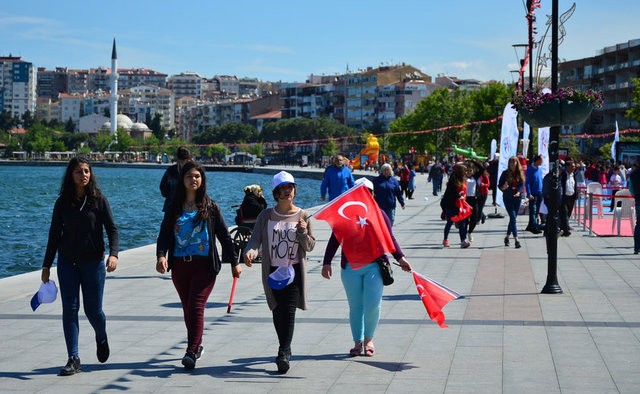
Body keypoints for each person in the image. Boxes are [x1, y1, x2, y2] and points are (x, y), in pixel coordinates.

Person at [156, 161, 241, 370]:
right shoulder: (174, 207)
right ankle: (197, 344)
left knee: (195, 306)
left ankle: (191, 351)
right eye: (189, 176)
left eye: (197, 176)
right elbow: (165, 234)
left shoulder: (210, 207)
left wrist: (234, 263)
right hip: (180, 266)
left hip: (205, 266)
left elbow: (224, 236)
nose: (193, 180)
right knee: (188, 309)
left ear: (202, 180)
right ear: (182, 181)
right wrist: (161, 256)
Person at [41, 157, 119, 376]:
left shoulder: (99, 200)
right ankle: (73, 358)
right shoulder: (62, 202)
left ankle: (101, 335)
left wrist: (113, 255)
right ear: (71, 175)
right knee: (70, 309)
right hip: (67, 263)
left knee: (93, 310)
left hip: (93, 262)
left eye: (86, 171)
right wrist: (46, 265)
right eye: (78, 172)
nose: (83, 175)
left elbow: (112, 229)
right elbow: (54, 235)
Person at [321, 178, 412, 357]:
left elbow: (390, 238)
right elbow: (335, 239)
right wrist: (326, 262)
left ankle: (369, 339)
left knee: (372, 305)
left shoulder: (380, 214)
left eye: (367, 192)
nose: (364, 196)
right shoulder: (344, 215)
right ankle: (358, 342)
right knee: (356, 307)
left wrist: (401, 258)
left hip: (374, 266)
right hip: (350, 268)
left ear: (372, 194)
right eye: (359, 193)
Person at [243, 171, 316, 374]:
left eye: (289, 188)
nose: (286, 192)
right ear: (275, 193)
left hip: (294, 271)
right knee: (277, 310)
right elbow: (255, 239)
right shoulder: (266, 215)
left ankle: (283, 352)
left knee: (289, 311)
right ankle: (285, 345)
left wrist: (302, 232)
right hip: (273, 271)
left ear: (294, 190)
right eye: (282, 189)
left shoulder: (303, 215)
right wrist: (250, 252)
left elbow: (310, 246)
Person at [440, 163, 471, 248]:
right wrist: (458, 196)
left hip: (461, 206)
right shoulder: (453, 182)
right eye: (464, 171)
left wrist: (466, 204)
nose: (466, 172)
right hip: (452, 206)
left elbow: (465, 194)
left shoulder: (464, 180)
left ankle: (463, 241)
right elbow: (450, 195)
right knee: (449, 223)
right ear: (460, 172)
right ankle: (445, 239)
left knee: (462, 224)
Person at [499, 156, 525, 248]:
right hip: (508, 198)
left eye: (514, 162)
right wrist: (503, 188)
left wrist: (519, 192)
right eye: (511, 163)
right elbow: (500, 185)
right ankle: (517, 240)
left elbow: (522, 184)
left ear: (517, 163)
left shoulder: (520, 173)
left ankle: (507, 237)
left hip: (517, 198)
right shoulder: (505, 173)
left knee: (513, 219)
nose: (512, 164)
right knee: (513, 218)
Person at [160, 146, 192, 212]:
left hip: (171, 206)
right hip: (186, 207)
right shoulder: (193, 171)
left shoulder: (170, 170)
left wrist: (170, 195)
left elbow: (163, 188)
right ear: (189, 158)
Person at [525, 154, 544, 234]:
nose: (542, 161)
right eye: (541, 160)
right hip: (533, 193)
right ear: (537, 160)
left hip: (540, 192)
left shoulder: (539, 169)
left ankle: (530, 225)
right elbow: (527, 183)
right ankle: (534, 226)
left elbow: (541, 180)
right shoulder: (530, 170)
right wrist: (529, 193)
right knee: (533, 210)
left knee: (537, 211)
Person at [559, 159, 577, 237]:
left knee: (568, 213)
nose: (574, 168)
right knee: (565, 213)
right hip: (564, 197)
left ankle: (562, 228)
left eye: (574, 166)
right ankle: (566, 230)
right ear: (567, 167)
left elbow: (574, 186)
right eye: (572, 166)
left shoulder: (574, 175)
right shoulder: (563, 175)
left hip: (571, 197)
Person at [628, 160, 640, 254]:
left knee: (639, 224)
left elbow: (631, 190)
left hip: (638, 200)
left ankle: (637, 247)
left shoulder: (633, 174)